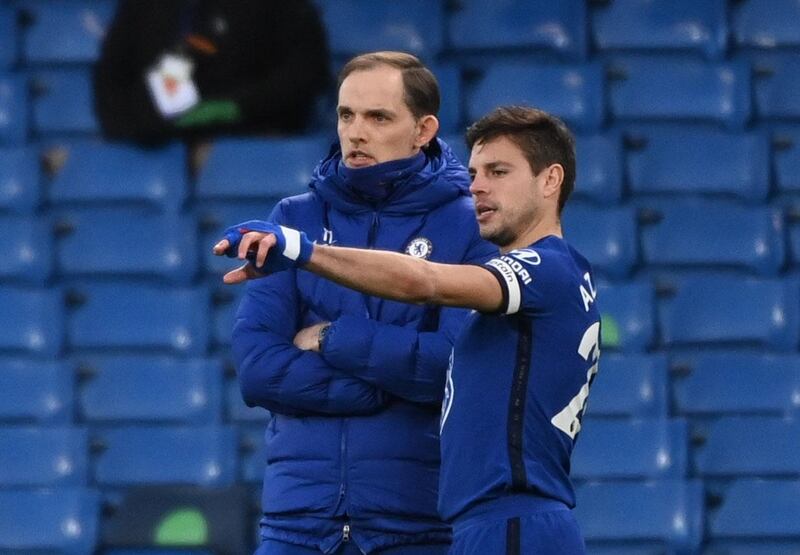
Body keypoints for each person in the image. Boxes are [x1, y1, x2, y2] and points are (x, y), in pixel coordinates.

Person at [215, 106, 601, 555]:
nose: (477, 186)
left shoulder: (545, 266)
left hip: (513, 522)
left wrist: (304, 250)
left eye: (498, 171)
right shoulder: (555, 278)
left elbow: (425, 282)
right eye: (474, 172)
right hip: (493, 522)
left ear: (550, 180)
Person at [226, 51, 497, 554]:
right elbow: (257, 368)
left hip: (417, 525)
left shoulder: (468, 226)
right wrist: (381, 389)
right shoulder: (292, 221)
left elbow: (456, 366)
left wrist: (333, 338)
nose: (356, 132)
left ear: (423, 129)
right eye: (346, 115)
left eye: (378, 117)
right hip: (295, 525)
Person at [93, 0, 329, 144]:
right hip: (154, 145)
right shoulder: (144, 7)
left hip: (246, 144)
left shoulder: (277, 7)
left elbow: (303, 75)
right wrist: (139, 128)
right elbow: (111, 79)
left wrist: (236, 108)